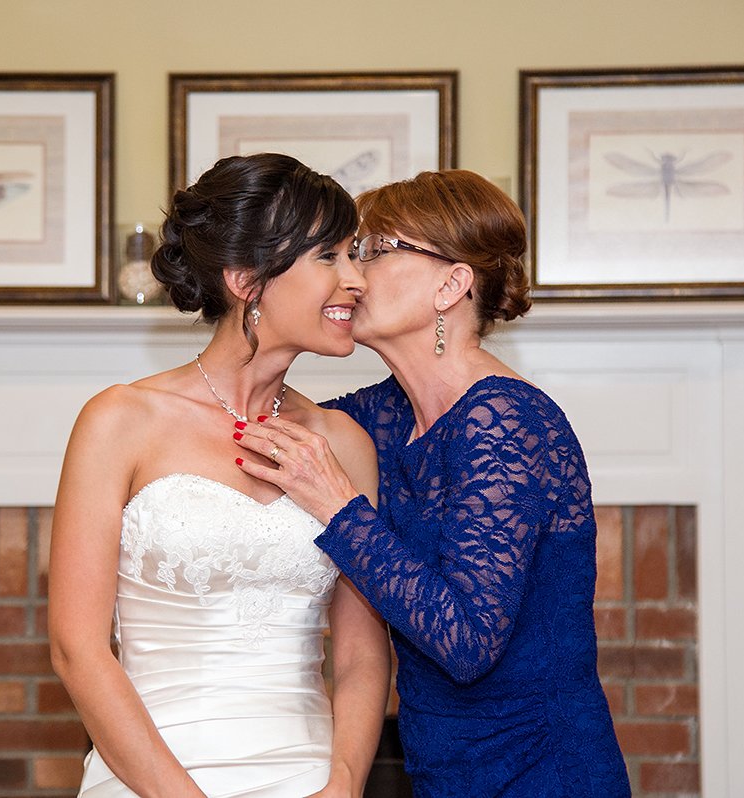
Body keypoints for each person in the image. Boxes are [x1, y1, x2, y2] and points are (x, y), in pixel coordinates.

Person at [233, 169, 632, 797]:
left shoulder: (506, 419)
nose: (355, 276)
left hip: (544, 771)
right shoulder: (383, 414)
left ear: (452, 284)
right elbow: (264, 421)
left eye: (376, 251)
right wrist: (258, 312)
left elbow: (467, 641)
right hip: (441, 771)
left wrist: (339, 507)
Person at [48, 153, 390, 798]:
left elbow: (359, 653)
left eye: (355, 256)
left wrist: (343, 783)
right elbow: (77, 648)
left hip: (308, 774)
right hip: (150, 777)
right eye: (329, 258)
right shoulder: (121, 420)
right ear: (245, 280)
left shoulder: (346, 443)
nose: (356, 281)